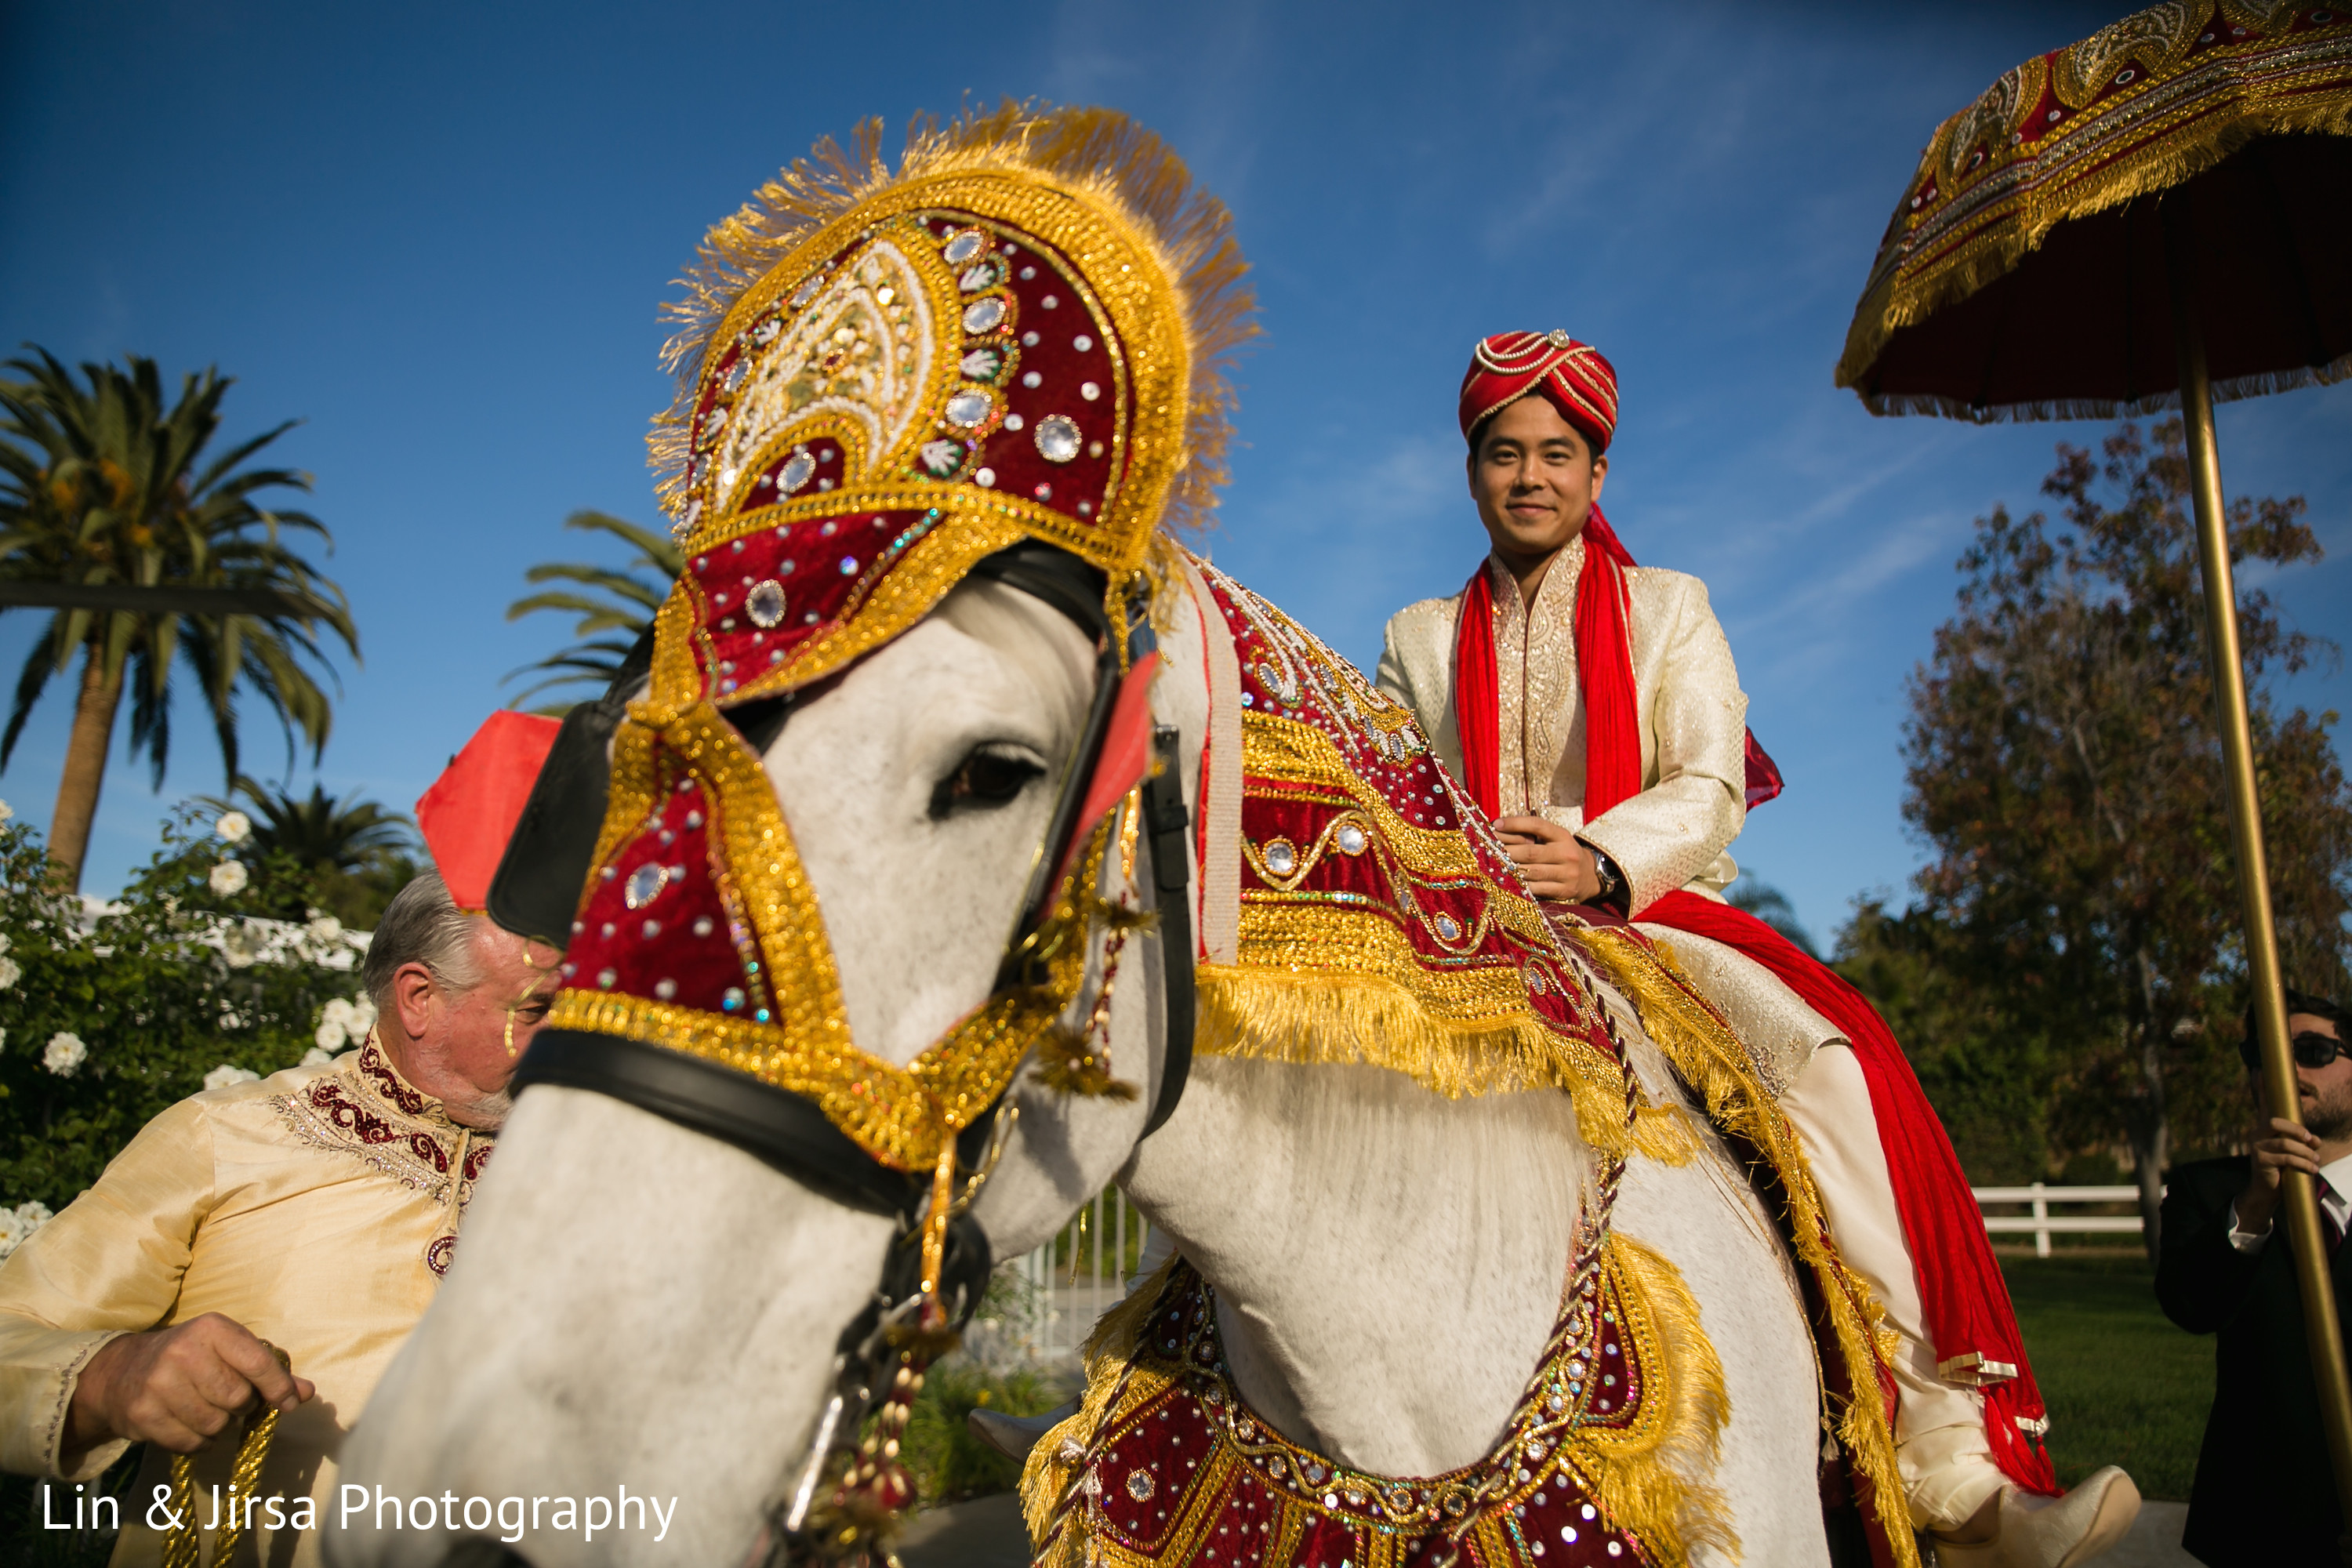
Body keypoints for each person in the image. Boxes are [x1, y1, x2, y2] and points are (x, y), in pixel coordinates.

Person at [1373, 330, 2139, 1568]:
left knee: (1835, 1073)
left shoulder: (1669, 608)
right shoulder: (1415, 637)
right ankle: (1173, 1395)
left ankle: (1951, 1468)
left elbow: (1711, 784)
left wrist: (1598, 857)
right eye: (1503, 453)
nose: (1530, 477)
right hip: (1466, 921)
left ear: (1599, 473)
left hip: (1645, 914)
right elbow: (1399, 792)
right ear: (1470, 472)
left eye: (1556, 454)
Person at [0, 868, 560, 1566]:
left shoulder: (590, 1176)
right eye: (540, 1011)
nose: (576, 1042)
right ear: (419, 999)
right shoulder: (224, 1138)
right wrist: (113, 1376)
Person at [2158, 987, 2352, 1566]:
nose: (2286, 1070)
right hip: (2263, 1520)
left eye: (2314, 1051)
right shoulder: (2211, 1191)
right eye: (2264, 1054)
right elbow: (2190, 1306)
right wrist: (2256, 1206)